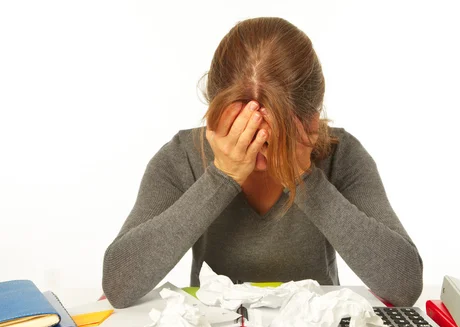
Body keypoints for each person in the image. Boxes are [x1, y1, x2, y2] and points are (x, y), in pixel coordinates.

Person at [102, 17, 423, 309]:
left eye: (270, 139)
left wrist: (304, 176)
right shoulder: (181, 157)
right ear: (214, 110)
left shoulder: (341, 155)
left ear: (312, 120)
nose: (255, 153)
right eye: (240, 129)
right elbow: (119, 286)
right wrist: (221, 177)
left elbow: (404, 286)